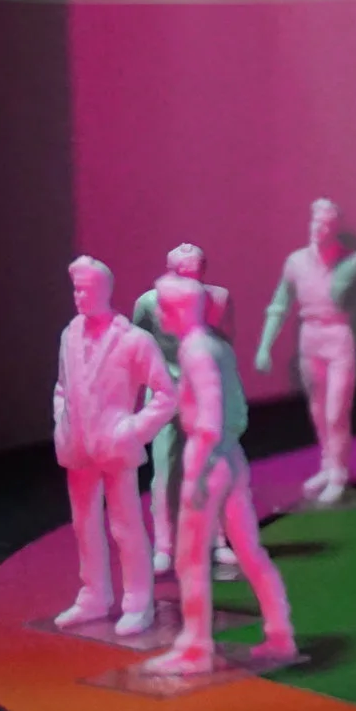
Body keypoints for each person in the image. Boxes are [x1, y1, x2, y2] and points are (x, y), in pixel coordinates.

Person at [140, 276, 295, 675]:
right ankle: (280, 632)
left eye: (163, 307)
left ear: (176, 310)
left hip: (208, 459)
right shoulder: (217, 346)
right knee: (249, 551)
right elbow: (234, 410)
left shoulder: (194, 350)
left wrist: (196, 470)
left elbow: (209, 418)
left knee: (190, 557)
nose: (158, 314)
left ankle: (196, 647)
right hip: (230, 456)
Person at [52, 258, 176, 637]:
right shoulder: (70, 335)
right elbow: (62, 387)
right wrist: (62, 424)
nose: (79, 296)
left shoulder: (133, 340)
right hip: (78, 447)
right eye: (76, 288)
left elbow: (166, 394)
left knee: (125, 526)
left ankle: (138, 601)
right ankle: (94, 593)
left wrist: (133, 429)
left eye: (86, 289)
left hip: (115, 446)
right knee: (84, 524)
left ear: (104, 290)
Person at [254, 197, 356, 504]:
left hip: (337, 336)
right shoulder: (296, 262)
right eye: (316, 222)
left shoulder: (355, 262)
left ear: (335, 228)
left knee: (335, 411)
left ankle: (339, 473)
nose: (319, 229)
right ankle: (328, 465)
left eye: (326, 225)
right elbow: (279, 305)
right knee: (317, 409)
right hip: (310, 336)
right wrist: (264, 346)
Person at [131, 244, 234, 576]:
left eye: (195, 275)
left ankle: (217, 541)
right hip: (165, 393)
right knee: (165, 471)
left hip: (202, 393)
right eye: (182, 275)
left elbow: (224, 349)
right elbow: (138, 348)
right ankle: (164, 546)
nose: (190, 282)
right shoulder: (149, 303)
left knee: (211, 467)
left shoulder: (218, 299)